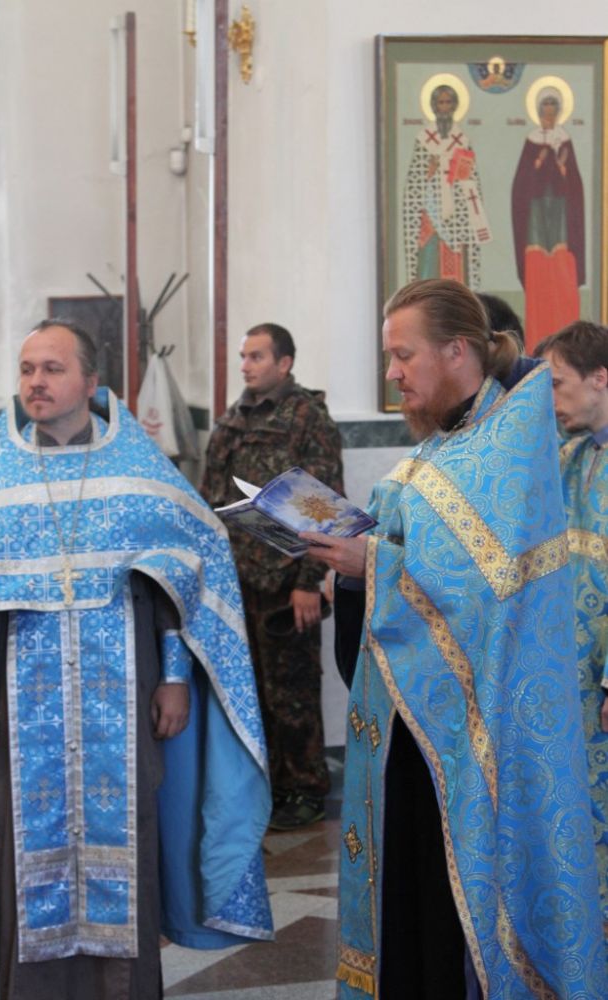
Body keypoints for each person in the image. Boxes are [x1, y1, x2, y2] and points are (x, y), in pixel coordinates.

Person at [0, 320, 273, 1000]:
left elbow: (181, 578)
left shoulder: (137, 471)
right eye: (27, 368)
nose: (36, 381)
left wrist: (175, 676)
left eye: (52, 368)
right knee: (16, 838)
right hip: (17, 703)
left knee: (132, 833)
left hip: (126, 696)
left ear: (91, 382)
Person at [302, 279, 607, 998]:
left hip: (479, 734)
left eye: (403, 355)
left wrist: (373, 565)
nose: (392, 373)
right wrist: (355, 565)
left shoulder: (508, 448)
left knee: (455, 916)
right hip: (411, 726)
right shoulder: (441, 448)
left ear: (457, 351)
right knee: (411, 900)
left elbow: (480, 591)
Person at [201, 323, 343, 831]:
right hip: (239, 579)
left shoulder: (307, 417)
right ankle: (266, 788)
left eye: (256, 356)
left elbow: (324, 501)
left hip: (286, 582)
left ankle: (304, 788)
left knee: (292, 692)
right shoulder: (232, 420)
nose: (246, 366)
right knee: (252, 690)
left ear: (284, 363)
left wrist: (309, 580)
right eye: (243, 356)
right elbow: (211, 496)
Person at [535, 321, 608, 936]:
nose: (550, 400)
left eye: (557, 384)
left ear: (600, 378)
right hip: (570, 678)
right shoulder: (570, 456)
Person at [511, 84, 585, 353]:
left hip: (561, 213)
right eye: (545, 110)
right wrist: (539, 162)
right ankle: (538, 335)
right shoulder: (531, 141)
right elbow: (521, 185)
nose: (549, 116)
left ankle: (567, 336)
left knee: (561, 264)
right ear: (540, 112)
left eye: (554, 111)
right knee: (538, 264)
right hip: (536, 214)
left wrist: (562, 166)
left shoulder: (564, 140)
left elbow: (574, 185)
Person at [403, 82, 491, 291]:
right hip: (430, 215)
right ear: (434, 107)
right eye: (440, 103)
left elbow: (471, 180)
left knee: (456, 267)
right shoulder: (424, 140)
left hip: (457, 216)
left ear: (454, 106)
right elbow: (414, 182)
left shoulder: (462, 140)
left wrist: (462, 178)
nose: (444, 108)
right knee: (429, 262)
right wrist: (429, 172)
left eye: (448, 103)